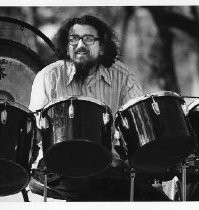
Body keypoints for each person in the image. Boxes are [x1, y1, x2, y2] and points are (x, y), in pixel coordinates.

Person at [28, 15, 170, 201]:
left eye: (88, 39)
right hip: (57, 169)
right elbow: (35, 134)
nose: (80, 45)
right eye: (73, 38)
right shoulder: (48, 77)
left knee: (154, 198)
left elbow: (136, 129)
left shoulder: (124, 77)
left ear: (102, 46)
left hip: (106, 166)